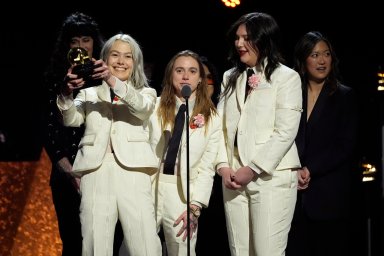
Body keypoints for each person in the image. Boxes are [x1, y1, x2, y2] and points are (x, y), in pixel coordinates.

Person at [56, 33, 162, 256]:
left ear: (136, 63)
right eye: (115, 55)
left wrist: (113, 81)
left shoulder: (147, 93)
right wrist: (66, 92)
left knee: (144, 244)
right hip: (96, 172)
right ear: (104, 59)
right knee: (95, 244)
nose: (121, 61)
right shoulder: (88, 93)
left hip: (134, 172)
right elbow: (70, 119)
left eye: (128, 57)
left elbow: (143, 109)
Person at [215, 12, 303, 256]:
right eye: (237, 38)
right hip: (232, 178)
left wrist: (252, 169)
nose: (239, 43)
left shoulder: (286, 77)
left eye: (246, 38)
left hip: (271, 178)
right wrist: (223, 166)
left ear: (265, 40)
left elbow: (285, 131)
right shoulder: (230, 77)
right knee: (239, 251)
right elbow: (219, 128)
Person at [43, 12, 122, 256]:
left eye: (85, 40)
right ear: (67, 45)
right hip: (67, 172)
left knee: (108, 242)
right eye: (74, 41)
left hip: (103, 171)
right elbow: (48, 127)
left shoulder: (106, 74)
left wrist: (108, 77)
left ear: (94, 43)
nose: (80, 46)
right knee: (73, 242)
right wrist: (68, 169)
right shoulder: (55, 79)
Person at [286, 31, 361, 256]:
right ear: (302, 60)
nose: (322, 60)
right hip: (292, 195)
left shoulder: (344, 96)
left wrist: (311, 168)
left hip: (329, 195)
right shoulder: (290, 95)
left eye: (326, 54)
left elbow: (345, 145)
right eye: (315, 54)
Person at [149, 50, 223, 256]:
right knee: (136, 248)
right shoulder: (153, 106)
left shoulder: (212, 118)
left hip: (182, 194)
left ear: (200, 79)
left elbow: (207, 168)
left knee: (182, 250)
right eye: (179, 70)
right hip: (150, 187)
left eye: (192, 71)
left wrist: (195, 207)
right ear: (170, 75)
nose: (185, 76)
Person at [196, 55, 230, 256]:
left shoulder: (224, 112)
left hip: (219, 189)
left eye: (209, 78)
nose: (204, 82)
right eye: (199, 76)